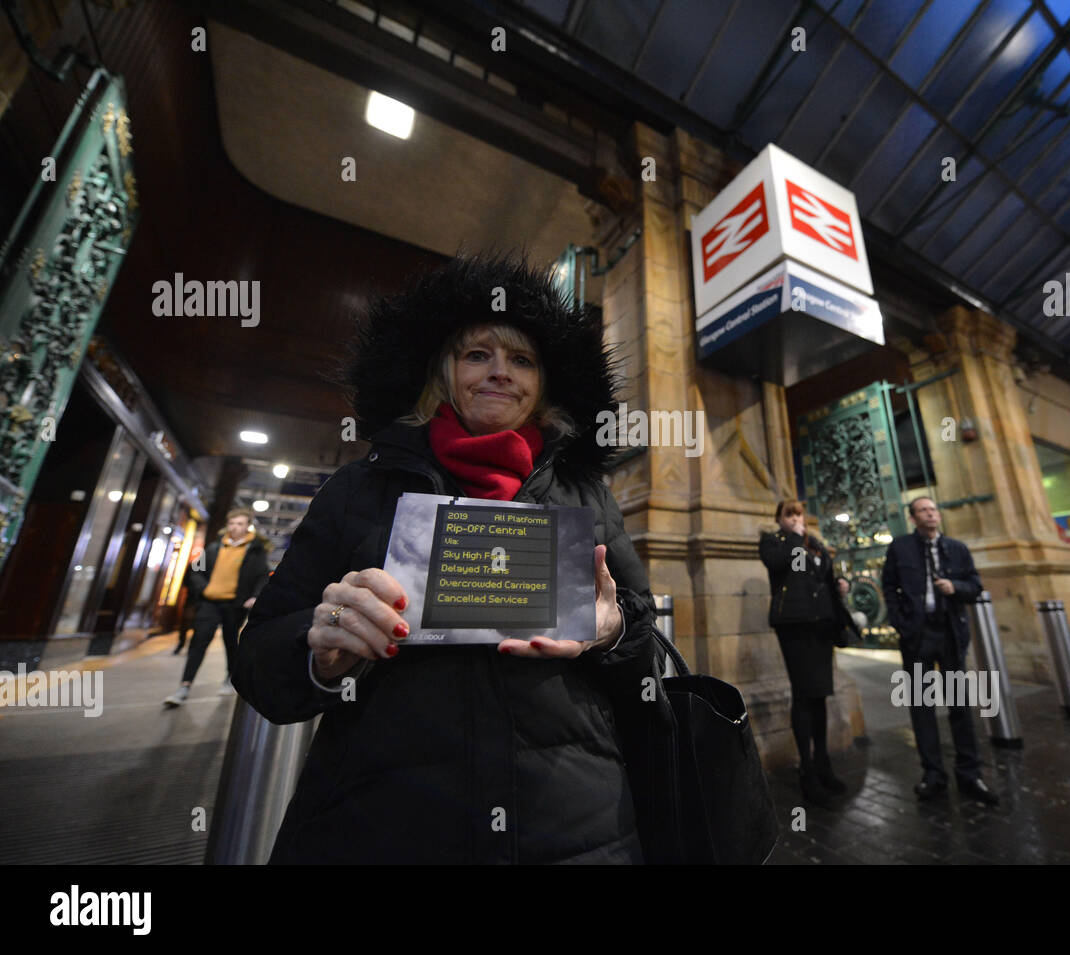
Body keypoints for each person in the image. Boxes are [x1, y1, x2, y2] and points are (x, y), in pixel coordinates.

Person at [233, 253, 669, 864]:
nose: (500, 373)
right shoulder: (360, 490)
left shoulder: (587, 496)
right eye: (477, 355)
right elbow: (258, 665)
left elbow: (648, 658)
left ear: (543, 383)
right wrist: (321, 647)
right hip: (383, 827)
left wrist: (613, 630)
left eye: (522, 359)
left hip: (576, 829)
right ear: (443, 372)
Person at [881, 496, 998, 805]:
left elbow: (976, 585)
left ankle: (970, 774)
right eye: (923, 510)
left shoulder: (957, 548)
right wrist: (903, 625)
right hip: (917, 636)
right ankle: (933, 775)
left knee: (959, 706)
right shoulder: (901, 547)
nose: (931, 514)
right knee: (922, 708)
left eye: (934, 509)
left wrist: (955, 587)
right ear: (913, 518)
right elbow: (889, 587)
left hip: (949, 633)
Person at [760, 500, 848, 805]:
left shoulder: (817, 545)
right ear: (780, 519)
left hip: (821, 625)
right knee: (804, 694)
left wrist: (838, 585)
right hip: (795, 627)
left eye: (799, 514)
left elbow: (823, 576)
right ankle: (807, 772)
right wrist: (796, 537)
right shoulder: (774, 542)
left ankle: (824, 765)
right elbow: (778, 564)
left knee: (820, 695)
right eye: (789, 514)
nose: (797, 518)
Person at [163, 509, 268, 706]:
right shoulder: (212, 548)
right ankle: (184, 686)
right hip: (210, 603)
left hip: (235, 605)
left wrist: (254, 596)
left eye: (240, 524)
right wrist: (204, 589)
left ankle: (230, 677)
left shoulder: (255, 550)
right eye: (232, 523)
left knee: (231, 642)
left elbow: (262, 575)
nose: (235, 527)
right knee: (198, 641)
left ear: (247, 526)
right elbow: (195, 571)